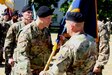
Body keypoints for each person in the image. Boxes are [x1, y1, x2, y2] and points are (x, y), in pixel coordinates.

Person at [14, 6, 54, 75]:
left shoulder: (46, 31)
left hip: (42, 71)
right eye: (48, 18)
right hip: (28, 71)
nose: (51, 21)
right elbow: (22, 56)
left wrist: (58, 47)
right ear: (41, 18)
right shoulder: (26, 32)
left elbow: (49, 50)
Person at [3, 4, 33, 75]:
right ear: (23, 14)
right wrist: (9, 57)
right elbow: (8, 43)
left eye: (31, 12)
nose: (30, 14)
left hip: (30, 58)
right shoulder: (15, 26)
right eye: (28, 12)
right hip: (17, 58)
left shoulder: (33, 27)